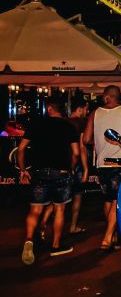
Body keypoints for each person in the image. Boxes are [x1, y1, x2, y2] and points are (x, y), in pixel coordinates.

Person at [19, 100, 85, 264]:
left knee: (35, 210)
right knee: (60, 210)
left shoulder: (36, 124)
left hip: (39, 172)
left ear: (49, 109)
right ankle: (55, 246)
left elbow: (20, 149)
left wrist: (23, 170)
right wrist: (70, 168)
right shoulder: (68, 126)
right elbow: (76, 153)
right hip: (60, 172)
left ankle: (29, 240)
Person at [83, 85, 121, 250]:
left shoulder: (95, 113)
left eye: (103, 95)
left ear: (108, 97)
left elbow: (86, 139)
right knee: (118, 201)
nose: (102, 98)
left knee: (108, 199)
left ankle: (113, 234)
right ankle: (107, 237)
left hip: (102, 164)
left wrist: (100, 143)